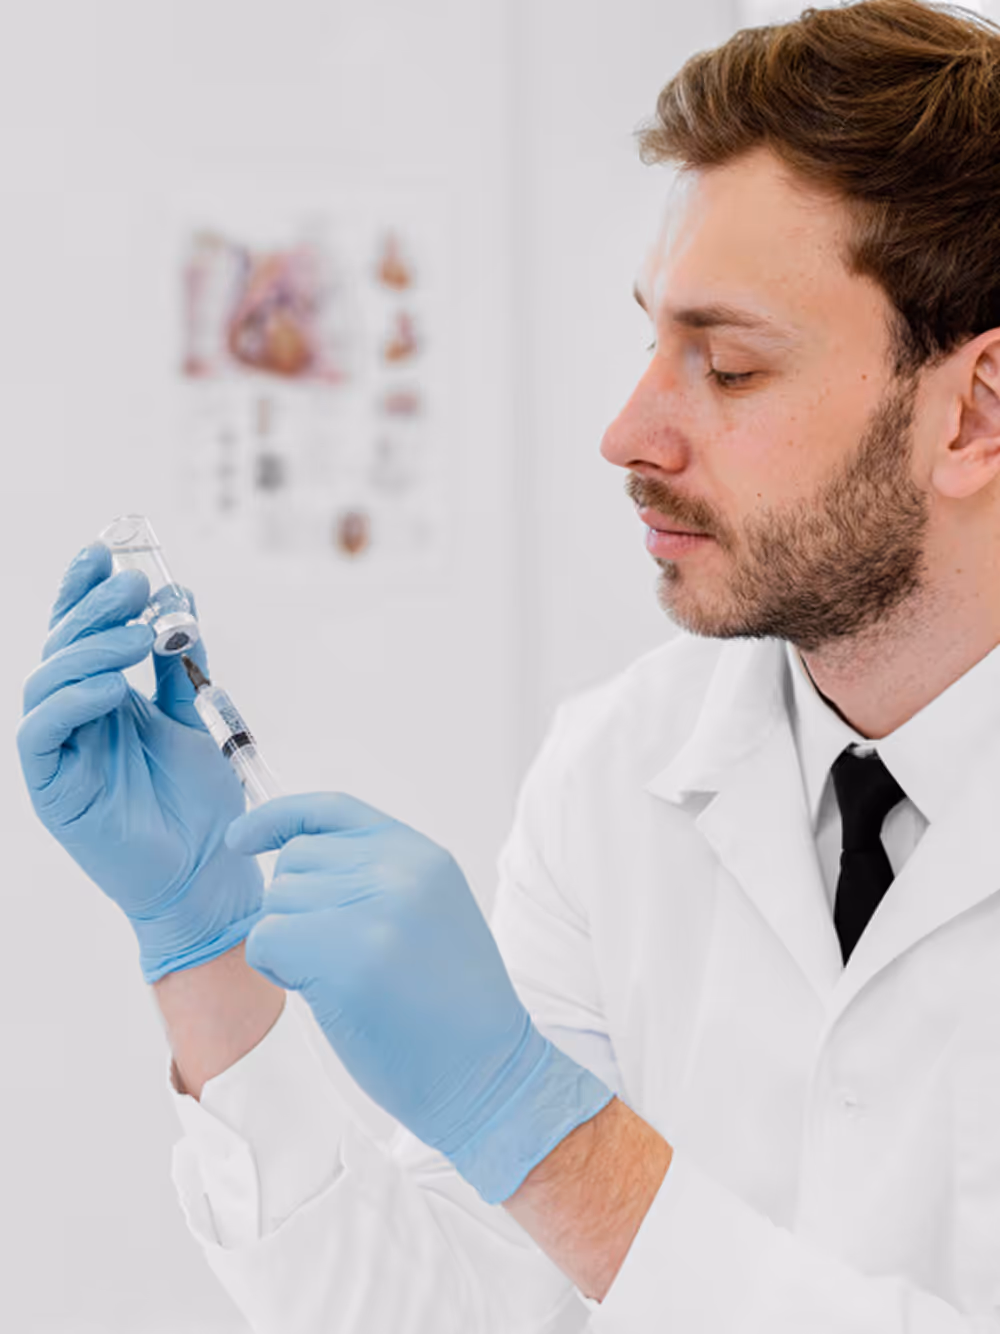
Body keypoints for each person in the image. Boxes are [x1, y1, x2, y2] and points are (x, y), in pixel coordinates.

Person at [18, 0, 1000, 1328]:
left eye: (726, 365)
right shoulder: (620, 767)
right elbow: (450, 1308)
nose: (628, 428)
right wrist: (203, 946)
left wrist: (542, 1130)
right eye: (654, 339)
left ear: (972, 415)